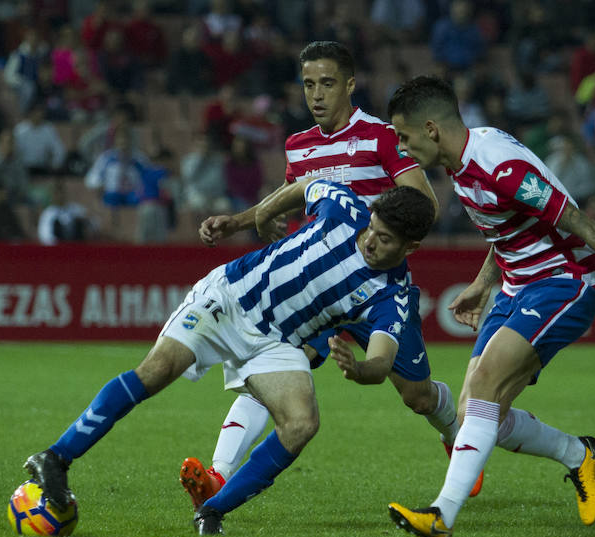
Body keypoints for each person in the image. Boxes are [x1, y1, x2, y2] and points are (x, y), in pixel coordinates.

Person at [22, 179, 436, 535]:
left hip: (277, 341)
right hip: (231, 297)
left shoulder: (392, 295)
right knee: (157, 370)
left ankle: (213, 509)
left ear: (411, 247)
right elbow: (304, 186)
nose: (370, 240)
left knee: (301, 423)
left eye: (385, 240)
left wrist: (359, 367)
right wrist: (258, 216)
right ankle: (56, 457)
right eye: (373, 229)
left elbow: (382, 362)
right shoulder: (347, 208)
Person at [384, 76, 595, 537]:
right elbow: (507, 229)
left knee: (485, 386)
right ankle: (577, 452)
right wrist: (482, 284)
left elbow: (579, 221)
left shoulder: (500, 167)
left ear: (431, 129)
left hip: (563, 283)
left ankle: (441, 517)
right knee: (474, 413)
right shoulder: (460, 164)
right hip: (515, 287)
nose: (402, 149)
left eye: (404, 137)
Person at [178, 41, 469, 512]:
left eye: (328, 83)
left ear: (350, 85)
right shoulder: (298, 145)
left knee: (416, 396)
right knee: (273, 361)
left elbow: (424, 206)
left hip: (376, 288)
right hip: (315, 290)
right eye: (309, 84)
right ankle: (218, 476)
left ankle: (455, 434)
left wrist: (362, 222)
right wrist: (241, 221)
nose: (316, 94)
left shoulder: (380, 137)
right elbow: (292, 199)